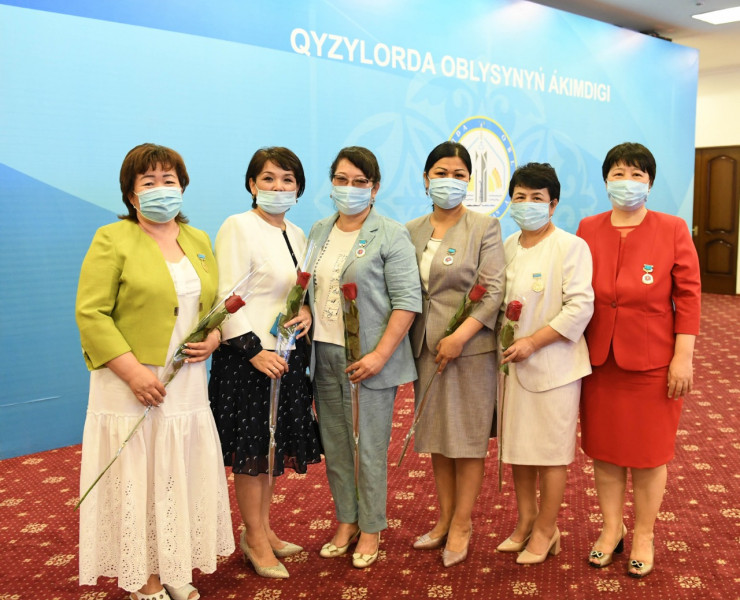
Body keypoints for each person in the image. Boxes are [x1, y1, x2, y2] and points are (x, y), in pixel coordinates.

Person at [76, 143, 234, 600]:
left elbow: (214, 307)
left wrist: (215, 338)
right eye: (149, 182)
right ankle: (144, 578)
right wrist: (132, 373)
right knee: (138, 477)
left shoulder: (198, 240)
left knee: (175, 471)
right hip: (128, 383)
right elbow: (92, 314)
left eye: (169, 180)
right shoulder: (112, 238)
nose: (161, 188)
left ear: (182, 187)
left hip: (186, 382)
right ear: (131, 194)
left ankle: (173, 563)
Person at [577, 142, 701, 578]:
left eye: (636, 174)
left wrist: (682, 358)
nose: (627, 182)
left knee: (649, 455)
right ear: (606, 180)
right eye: (619, 173)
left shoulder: (672, 228)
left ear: (649, 183)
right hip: (599, 361)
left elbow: (689, 297)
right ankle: (611, 529)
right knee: (605, 451)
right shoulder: (588, 228)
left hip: (652, 362)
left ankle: (644, 534)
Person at [208, 147, 322, 579]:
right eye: (269, 178)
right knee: (253, 454)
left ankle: (265, 528)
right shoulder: (238, 226)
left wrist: (306, 312)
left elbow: (296, 292)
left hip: (285, 358)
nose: (278, 187)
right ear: (252, 184)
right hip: (249, 360)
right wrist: (254, 351)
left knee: (271, 450)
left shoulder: (297, 233)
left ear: (299, 187)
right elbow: (227, 296)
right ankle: (253, 537)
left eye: (288, 179)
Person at [307, 146, 421, 569]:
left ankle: (371, 527)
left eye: (359, 182)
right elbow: (310, 288)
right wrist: (305, 313)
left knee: (369, 448)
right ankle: (347, 520)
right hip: (324, 351)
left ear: (374, 188)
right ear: (331, 183)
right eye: (341, 180)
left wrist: (379, 356)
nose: (349, 188)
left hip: (371, 358)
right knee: (336, 445)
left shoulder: (390, 233)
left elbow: (407, 302)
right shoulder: (319, 230)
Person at [406, 141, 505, 567]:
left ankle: (463, 524)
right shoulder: (410, 230)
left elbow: (493, 289)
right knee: (438, 439)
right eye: (441, 173)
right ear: (426, 178)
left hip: (470, 350)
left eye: (459, 175)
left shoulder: (485, 227)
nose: (450, 181)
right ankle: (444, 519)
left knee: (466, 440)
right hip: (424, 349)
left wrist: (460, 337)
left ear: (469, 181)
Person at [495, 163, 594, 565]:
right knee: (519, 449)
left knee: (550, 453)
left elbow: (580, 306)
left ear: (553, 204)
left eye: (537, 198)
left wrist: (534, 342)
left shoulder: (571, 247)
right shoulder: (508, 245)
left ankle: (547, 529)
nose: (527, 204)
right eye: (520, 197)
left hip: (556, 367)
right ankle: (525, 521)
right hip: (513, 366)